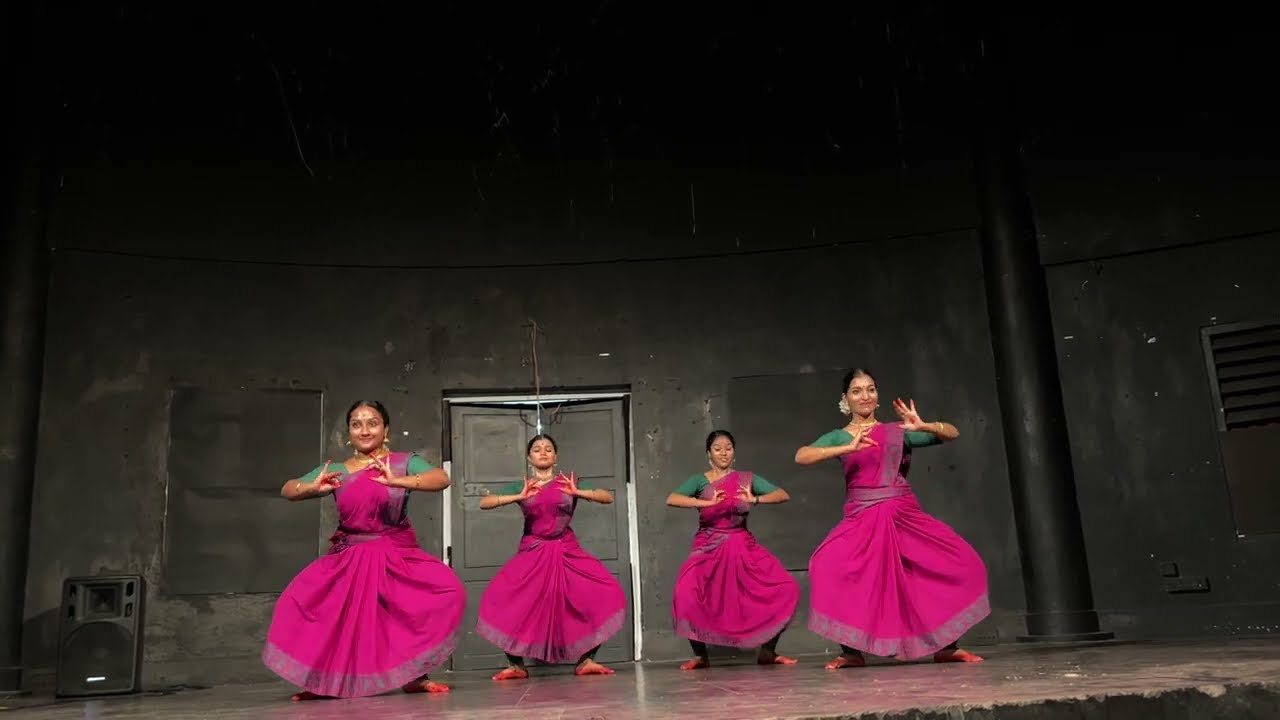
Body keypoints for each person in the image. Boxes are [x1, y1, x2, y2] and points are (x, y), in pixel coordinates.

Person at [263, 400, 465, 700]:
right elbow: (287, 488)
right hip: (350, 555)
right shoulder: (337, 470)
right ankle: (323, 682)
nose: (364, 429)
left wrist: (400, 480)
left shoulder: (402, 461)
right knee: (316, 609)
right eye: (357, 423)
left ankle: (414, 677)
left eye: (372, 422)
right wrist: (310, 487)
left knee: (435, 598)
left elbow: (441, 479)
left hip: (394, 553)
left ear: (385, 431)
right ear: (349, 433)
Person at [795, 369, 989, 669]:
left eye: (870, 389)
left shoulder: (898, 431)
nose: (865, 396)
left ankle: (947, 646)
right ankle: (851, 651)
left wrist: (924, 425)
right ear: (845, 399)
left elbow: (952, 432)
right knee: (828, 566)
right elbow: (802, 456)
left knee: (955, 563)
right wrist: (846, 447)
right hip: (862, 517)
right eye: (857, 391)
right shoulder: (840, 435)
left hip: (903, 514)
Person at [476, 433, 627, 680]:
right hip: (533, 549)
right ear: (529, 457)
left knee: (602, 593)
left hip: (566, 548)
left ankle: (586, 659)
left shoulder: (568, 482)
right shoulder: (523, 485)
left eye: (548, 449)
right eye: (537, 449)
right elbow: (485, 502)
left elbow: (607, 497)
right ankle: (516, 664)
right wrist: (517, 496)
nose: (543, 452)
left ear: (556, 456)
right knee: (504, 600)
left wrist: (579, 491)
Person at [667, 430, 800, 669]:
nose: (723, 452)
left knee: (786, 588)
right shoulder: (700, 481)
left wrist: (755, 500)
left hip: (742, 545)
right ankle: (700, 655)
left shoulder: (746, 479)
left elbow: (782, 494)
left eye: (728, 447)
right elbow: (673, 498)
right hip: (708, 545)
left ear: (734, 452)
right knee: (686, 593)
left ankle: (768, 652)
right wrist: (705, 503)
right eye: (717, 448)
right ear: (709, 454)